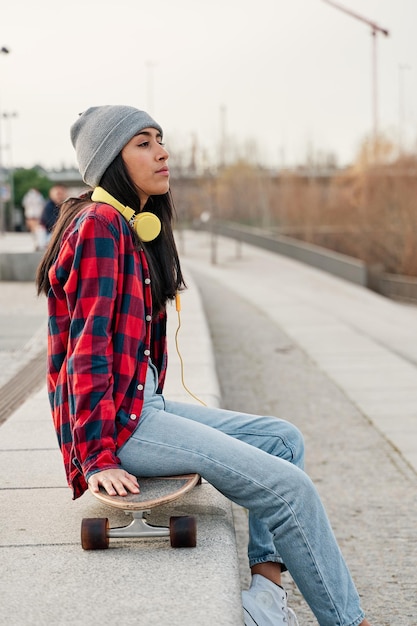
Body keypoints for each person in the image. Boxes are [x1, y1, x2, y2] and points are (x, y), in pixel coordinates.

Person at [36, 105, 372, 626]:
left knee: (283, 440)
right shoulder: (101, 226)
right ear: (111, 163)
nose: (162, 152)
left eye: (160, 139)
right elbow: (87, 351)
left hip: (143, 402)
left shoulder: (130, 226)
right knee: (290, 488)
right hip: (122, 424)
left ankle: (265, 598)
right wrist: (97, 457)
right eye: (143, 143)